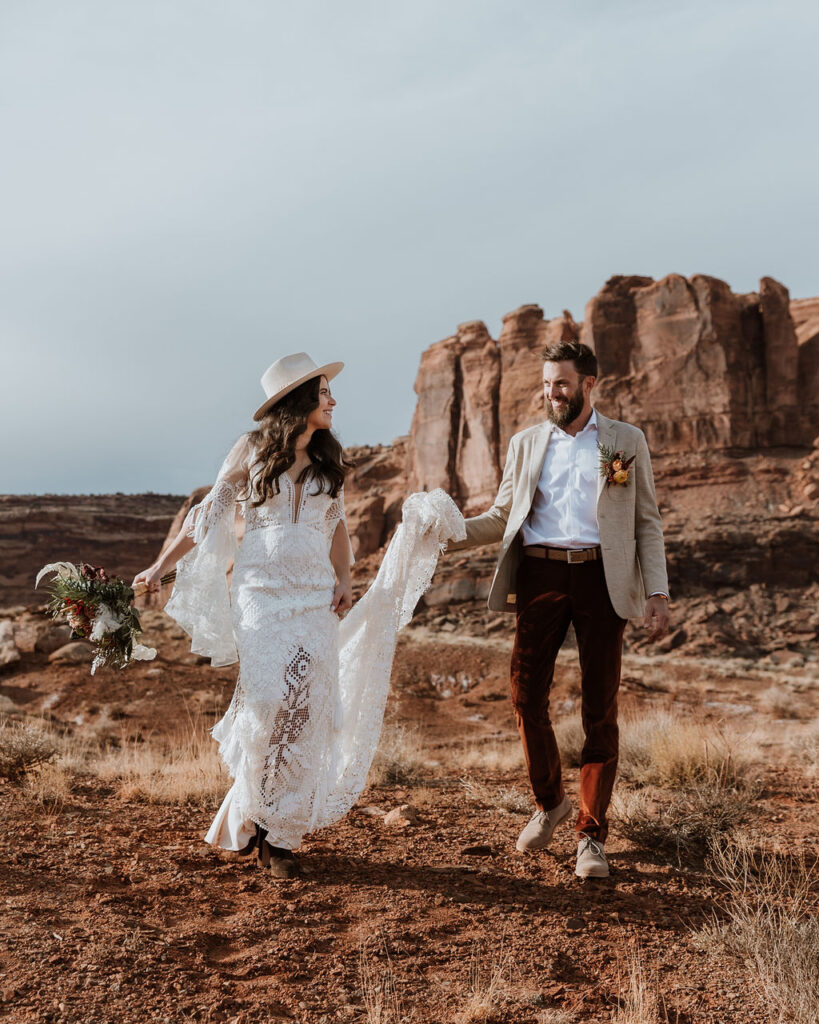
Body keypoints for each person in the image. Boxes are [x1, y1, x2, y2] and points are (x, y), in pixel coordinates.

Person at [134, 352, 464, 878]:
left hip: (314, 597)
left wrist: (344, 579)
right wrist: (158, 567)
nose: (333, 401)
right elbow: (207, 518)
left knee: (306, 705)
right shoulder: (251, 450)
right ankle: (251, 813)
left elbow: (337, 528)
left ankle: (278, 837)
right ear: (300, 400)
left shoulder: (329, 461)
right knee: (267, 702)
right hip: (260, 597)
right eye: (325, 392)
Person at [447, 339, 669, 878]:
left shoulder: (625, 441)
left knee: (600, 708)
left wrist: (657, 591)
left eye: (561, 383)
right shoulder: (526, 443)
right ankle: (550, 804)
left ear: (588, 384)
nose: (552, 393)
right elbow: (502, 516)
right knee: (524, 695)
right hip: (541, 574)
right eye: (546, 384)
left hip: (602, 577)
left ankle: (591, 837)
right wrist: (444, 534)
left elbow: (646, 521)